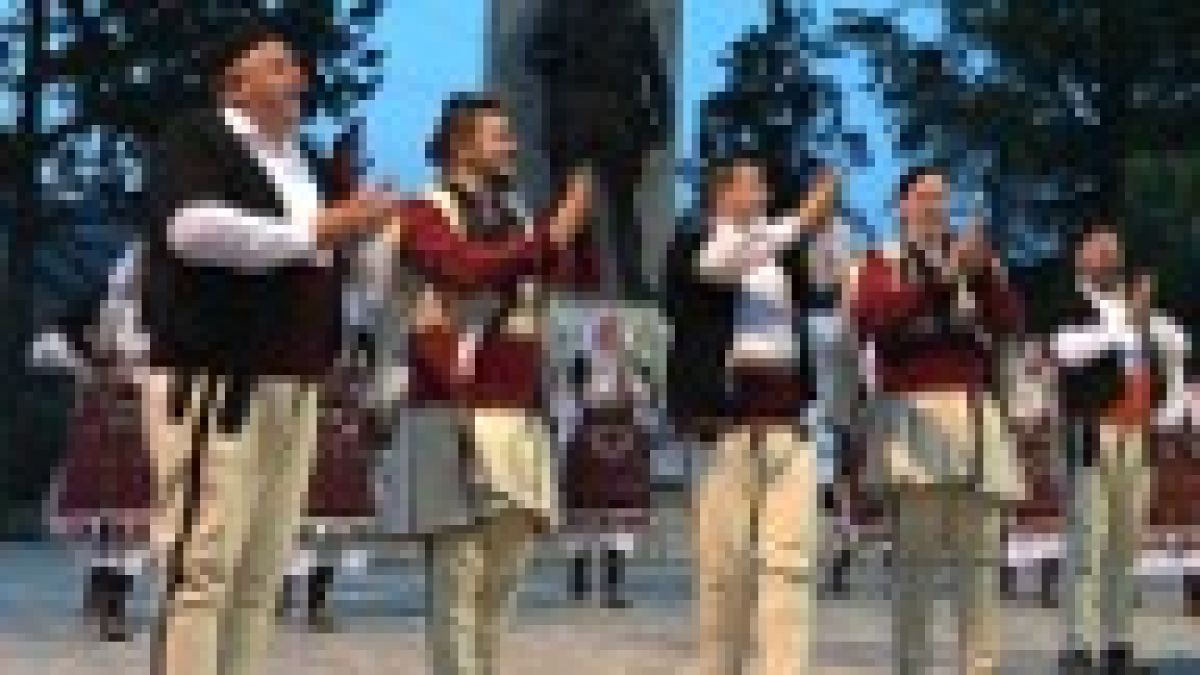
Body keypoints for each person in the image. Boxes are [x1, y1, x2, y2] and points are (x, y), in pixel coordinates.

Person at [135, 22, 397, 675]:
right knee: (202, 566)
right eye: (279, 65)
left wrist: (370, 235)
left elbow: (338, 267)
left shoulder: (305, 163)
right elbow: (191, 228)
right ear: (235, 83)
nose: (298, 78)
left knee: (261, 572)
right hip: (219, 379)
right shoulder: (199, 139)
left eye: (297, 66)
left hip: (295, 383)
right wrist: (318, 230)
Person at [373, 92, 596, 675]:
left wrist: (565, 235)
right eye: (500, 136)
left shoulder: (517, 216)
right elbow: (460, 269)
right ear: (460, 145)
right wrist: (549, 237)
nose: (512, 146)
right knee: (458, 578)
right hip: (451, 408)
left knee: (504, 577)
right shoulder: (422, 212)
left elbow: (557, 276)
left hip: (517, 411)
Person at [664, 157, 837, 675]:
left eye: (765, 184)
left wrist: (823, 231)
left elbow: (826, 290)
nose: (764, 192)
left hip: (788, 426)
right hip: (726, 429)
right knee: (724, 570)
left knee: (791, 564)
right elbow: (727, 262)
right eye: (753, 184)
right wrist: (803, 218)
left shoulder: (783, 254)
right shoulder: (694, 244)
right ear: (721, 194)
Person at [851, 166, 1024, 675]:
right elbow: (872, 319)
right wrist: (937, 282)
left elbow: (1011, 323)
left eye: (941, 197)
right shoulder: (880, 260)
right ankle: (912, 665)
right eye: (923, 196)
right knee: (915, 564)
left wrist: (984, 276)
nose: (934, 206)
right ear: (901, 205)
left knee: (980, 562)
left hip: (972, 414)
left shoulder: (977, 261)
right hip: (912, 413)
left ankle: (980, 666)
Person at [1030, 222, 1190, 674]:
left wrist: (1144, 323)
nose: (1108, 256)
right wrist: (1127, 323)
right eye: (1098, 248)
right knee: (1088, 542)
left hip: (1136, 434)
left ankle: (1119, 644)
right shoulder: (1068, 302)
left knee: (1125, 544)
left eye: (1113, 249)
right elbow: (1068, 350)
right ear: (1079, 257)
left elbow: (1173, 348)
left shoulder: (1136, 313)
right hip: (1091, 432)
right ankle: (1078, 647)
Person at [29, 244, 152, 642]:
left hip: (145, 422)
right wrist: (86, 362)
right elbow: (45, 348)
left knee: (135, 514)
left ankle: (114, 603)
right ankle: (101, 595)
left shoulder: (166, 314)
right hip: (100, 420)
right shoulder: (99, 306)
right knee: (101, 514)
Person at [559, 311, 655, 608]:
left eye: (614, 331)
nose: (609, 337)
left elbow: (646, 404)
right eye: (604, 331)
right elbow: (567, 405)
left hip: (625, 447)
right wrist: (566, 443)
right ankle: (578, 587)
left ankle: (614, 588)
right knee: (582, 518)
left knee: (620, 520)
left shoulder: (635, 366)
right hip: (586, 447)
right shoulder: (580, 366)